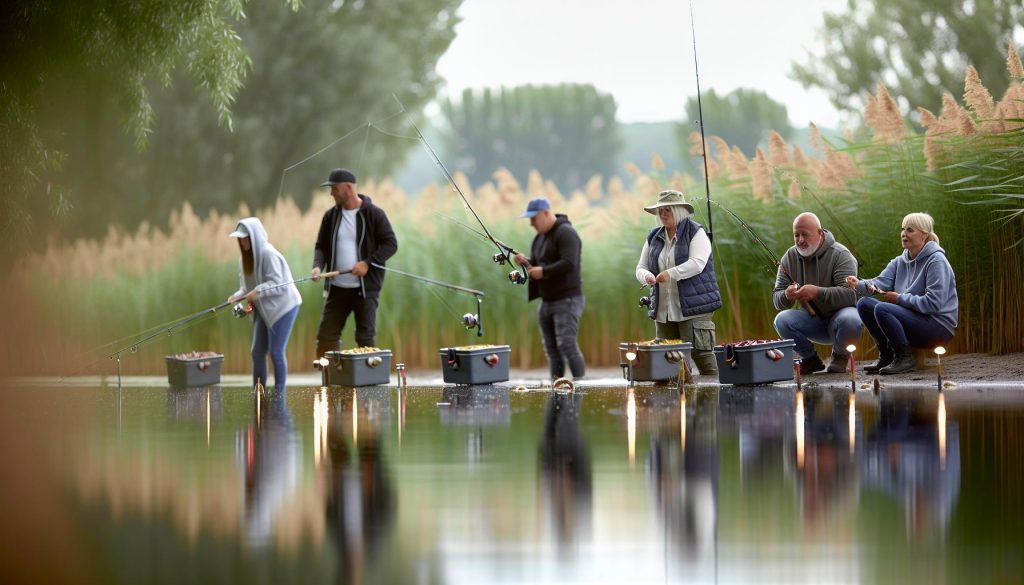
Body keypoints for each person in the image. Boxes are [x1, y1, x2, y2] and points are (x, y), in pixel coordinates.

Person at [845, 212, 958, 374]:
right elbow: (878, 283)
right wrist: (859, 284)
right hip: (913, 319)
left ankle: (905, 358)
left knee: (882, 308)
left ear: (924, 236)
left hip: (938, 327)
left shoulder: (936, 261)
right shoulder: (900, 261)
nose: (904, 233)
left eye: (910, 230)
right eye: (903, 229)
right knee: (864, 304)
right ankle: (887, 355)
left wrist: (899, 299)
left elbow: (933, 304)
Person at [311, 168, 398, 357]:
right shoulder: (330, 216)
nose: (331, 193)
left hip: (366, 290)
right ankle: (332, 380)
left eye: (334, 188)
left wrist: (367, 263)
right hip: (337, 288)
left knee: (365, 338)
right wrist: (317, 266)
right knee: (326, 338)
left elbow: (391, 244)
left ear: (348, 188)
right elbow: (321, 247)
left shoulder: (375, 214)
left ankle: (367, 383)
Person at [634, 189, 721, 375]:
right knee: (667, 364)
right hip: (663, 311)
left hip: (694, 309)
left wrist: (670, 273)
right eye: (661, 210)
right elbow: (640, 267)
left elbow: (697, 264)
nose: (663, 214)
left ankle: (714, 399)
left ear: (679, 210)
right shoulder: (653, 236)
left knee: (703, 358)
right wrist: (646, 276)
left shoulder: (696, 233)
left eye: (668, 209)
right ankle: (675, 403)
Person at [772, 212, 862, 373]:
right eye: (796, 235)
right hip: (811, 321)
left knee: (851, 318)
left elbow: (851, 295)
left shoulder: (841, 255)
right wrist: (787, 295)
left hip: (840, 321)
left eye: (805, 235)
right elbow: (777, 299)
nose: (800, 240)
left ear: (820, 233)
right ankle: (810, 359)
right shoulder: (789, 257)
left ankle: (840, 357)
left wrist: (818, 292)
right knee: (781, 320)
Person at [513, 197, 586, 379]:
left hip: (567, 300)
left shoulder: (566, 233)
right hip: (546, 302)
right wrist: (525, 262)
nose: (531, 223)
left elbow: (569, 263)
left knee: (567, 345)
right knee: (552, 350)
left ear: (546, 213)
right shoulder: (539, 238)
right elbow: (536, 265)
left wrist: (543, 271)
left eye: (533, 218)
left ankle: (582, 387)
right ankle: (557, 385)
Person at [228, 218, 302, 392]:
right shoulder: (244, 259)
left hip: (284, 307)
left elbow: (278, 282)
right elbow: (246, 288)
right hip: (264, 309)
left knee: (276, 351)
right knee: (257, 352)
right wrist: (237, 296)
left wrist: (258, 292)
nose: (243, 241)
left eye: (246, 237)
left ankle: (279, 393)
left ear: (254, 236)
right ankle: (258, 391)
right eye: (240, 238)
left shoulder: (269, 254)